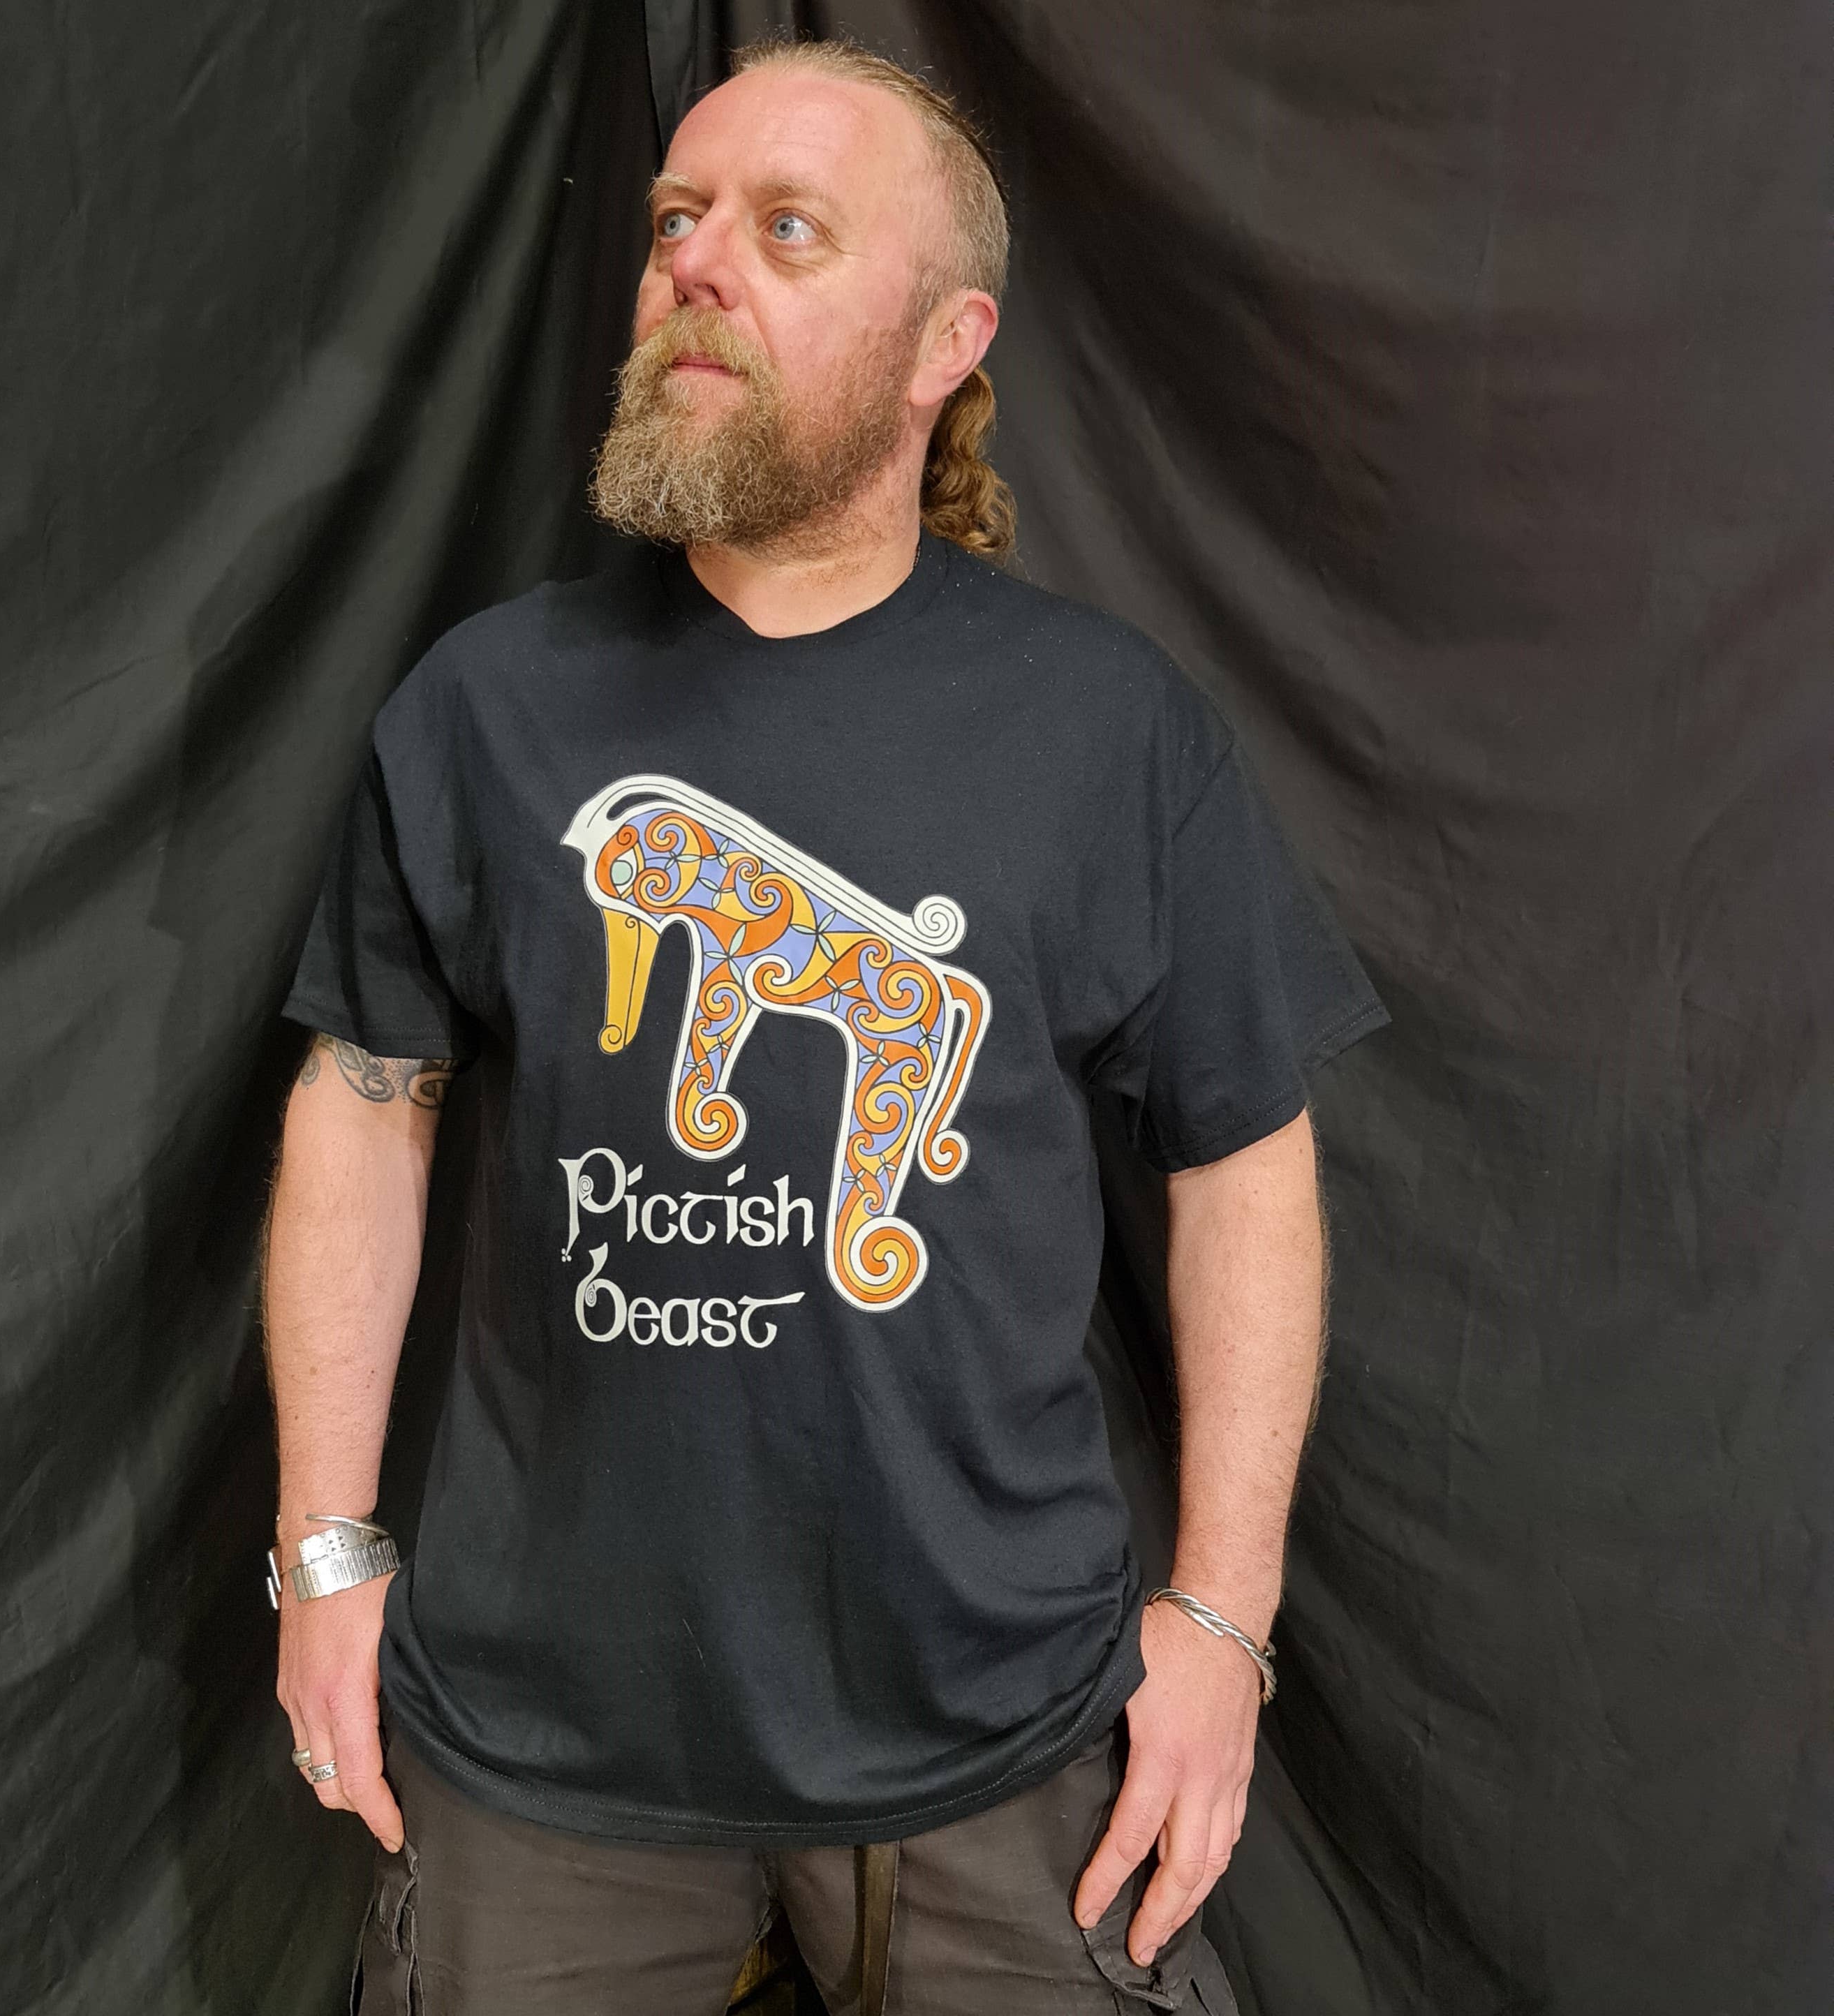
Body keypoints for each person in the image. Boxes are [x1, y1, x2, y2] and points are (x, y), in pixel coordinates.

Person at [264, 36, 1386, 2016]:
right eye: (675, 221)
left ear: (950, 341)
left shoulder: (1110, 735)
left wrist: (1224, 1618)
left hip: (1004, 1734)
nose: (696, 263)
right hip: (549, 1742)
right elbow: (367, 1099)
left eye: (788, 229)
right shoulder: (485, 710)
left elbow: (1244, 1162)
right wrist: (322, 1551)